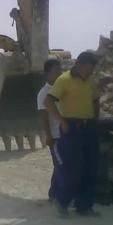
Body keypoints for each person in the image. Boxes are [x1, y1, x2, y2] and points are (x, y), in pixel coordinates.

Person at [44, 51, 101, 217]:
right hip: (72, 128)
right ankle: (62, 202)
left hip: (88, 128)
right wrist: (62, 122)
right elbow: (48, 102)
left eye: (92, 70)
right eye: (89, 69)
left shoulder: (90, 81)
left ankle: (84, 206)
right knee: (72, 168)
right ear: (79, 65)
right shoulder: (64, 80)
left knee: (90, 167)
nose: (90, 73)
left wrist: (95, 120)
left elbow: (95, 100)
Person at [36, 58, 63, 201]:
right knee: (60, 165)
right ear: (47, 74)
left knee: (62, 165)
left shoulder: (62, 89)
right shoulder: (44, 93)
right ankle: (56, 195)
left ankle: (54, 193)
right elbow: (43, 117)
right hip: (55, 135)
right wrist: (48, 136)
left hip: (65, 133)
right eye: (56, 71)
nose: (60, 73)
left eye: (60, 70)